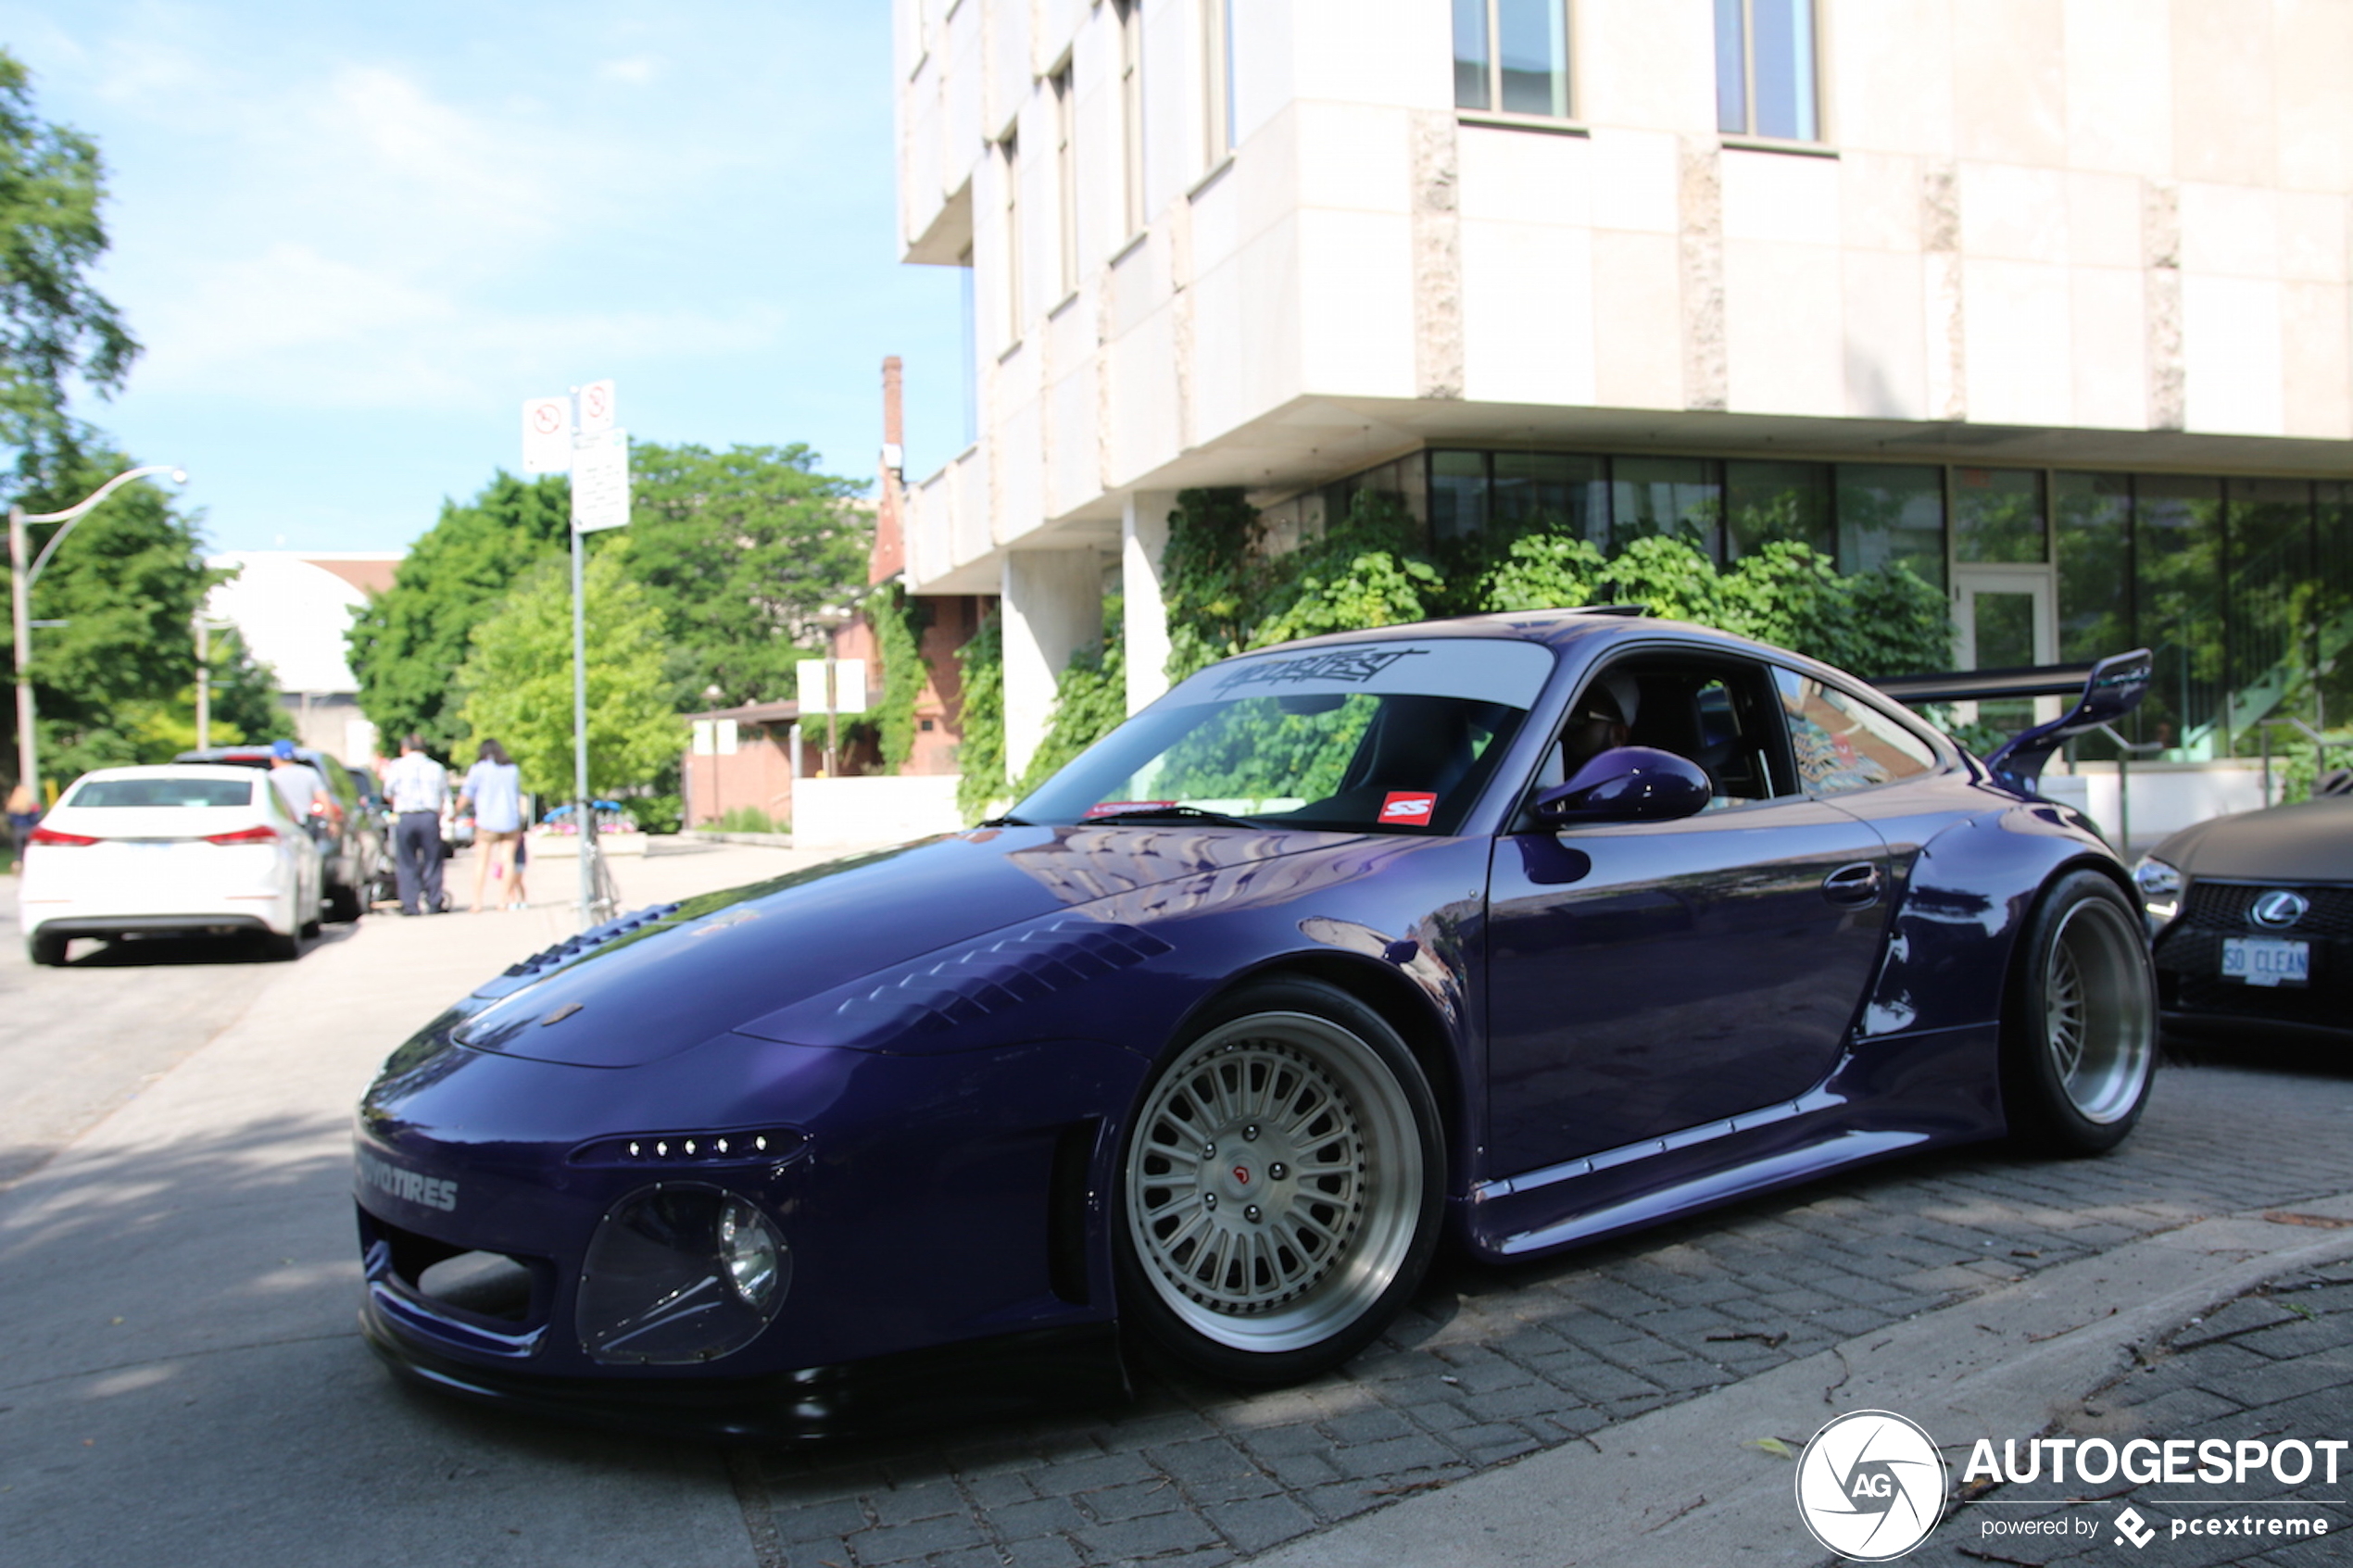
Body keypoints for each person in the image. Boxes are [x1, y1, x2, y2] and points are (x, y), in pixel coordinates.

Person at [381, 734, 449, 916]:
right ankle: (434, 901)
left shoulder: (397, 767)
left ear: (405, 748)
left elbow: (388, 792)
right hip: (429, 816)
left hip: (406, 816)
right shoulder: (436, 767)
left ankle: (411, 904)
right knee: (433, 861)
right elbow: (444, 795)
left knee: (406, 861)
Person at [457, 739, 526, 912]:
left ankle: (477, 902)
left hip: (487, 820)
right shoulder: (512, 769)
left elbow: (467, 793)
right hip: (510, 820)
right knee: (507, 860)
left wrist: (455, 812)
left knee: (481, 861)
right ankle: (503, 901)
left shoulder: (479, 769)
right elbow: (517, 794)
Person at [266, 740, 333, 834]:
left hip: (283, 826)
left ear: (274, 758)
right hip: (309, 825)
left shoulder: (270, 777)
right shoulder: (310, 773)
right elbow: (324, 799)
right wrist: (331, 822)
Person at [6, 781, 40, 873]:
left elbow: (10, 820)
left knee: (19, 853)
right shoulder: (32, 806)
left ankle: (17, 868)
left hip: (17, 831)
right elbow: (35, 819)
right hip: (29, 830)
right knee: (30, 852)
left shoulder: (12, 806)